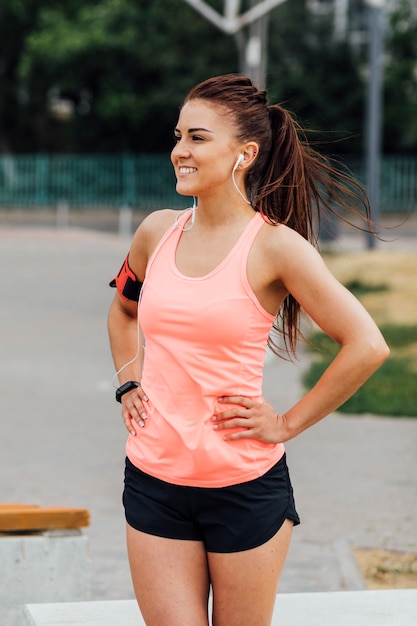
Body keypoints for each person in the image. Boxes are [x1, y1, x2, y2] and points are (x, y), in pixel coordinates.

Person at [107, 74, 389, 626]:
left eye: (197, 137)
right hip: (154, 482)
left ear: (246, 153)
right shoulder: (155, 233)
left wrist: (286, 423)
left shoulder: (276, 247)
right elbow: (123, 309)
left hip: (244, 488)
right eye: (178, 136)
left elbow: (367, 345)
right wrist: (128, 381)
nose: (179, 151)